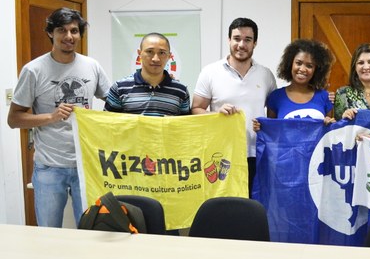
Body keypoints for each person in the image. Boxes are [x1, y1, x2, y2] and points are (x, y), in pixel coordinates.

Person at [7, 7, 111, 227]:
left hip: (87, 164)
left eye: (74, 31)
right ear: (50, 33)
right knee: (48, 232)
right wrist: (51, 117)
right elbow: (14, 119)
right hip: (49, 166)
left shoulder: (92, 66)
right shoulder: (33, 70)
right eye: (62, 30)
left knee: (90, 229)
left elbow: (114, 102)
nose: (69, 36)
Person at [192, 18, 276, 196]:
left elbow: (273, 115)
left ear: (255, 43)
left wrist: (266, 126)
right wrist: (216, 114)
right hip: (221, 154)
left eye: (247, 40)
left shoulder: (266, 75)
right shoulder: (210, 72)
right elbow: (196, 109)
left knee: (254, 204)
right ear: (229, 40)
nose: (241, 45)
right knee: (225, 205)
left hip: (256, 153)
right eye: (237, 39)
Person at [105, 33, 190, 116]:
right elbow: (108, 123)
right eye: (150, 51)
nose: (156, 59)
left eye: (162, 53)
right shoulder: (119, 88)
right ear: (139, 53)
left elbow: (186, 124)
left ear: (169, 56)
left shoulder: (181, 91)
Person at [263, 39, 334, 122]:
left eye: (309, 66)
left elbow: (331, 128)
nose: (302, 69)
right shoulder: (276, 97)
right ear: (290, 64)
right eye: (298, 63)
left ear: (316, 70)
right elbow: (271, 128)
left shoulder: (325, 97)